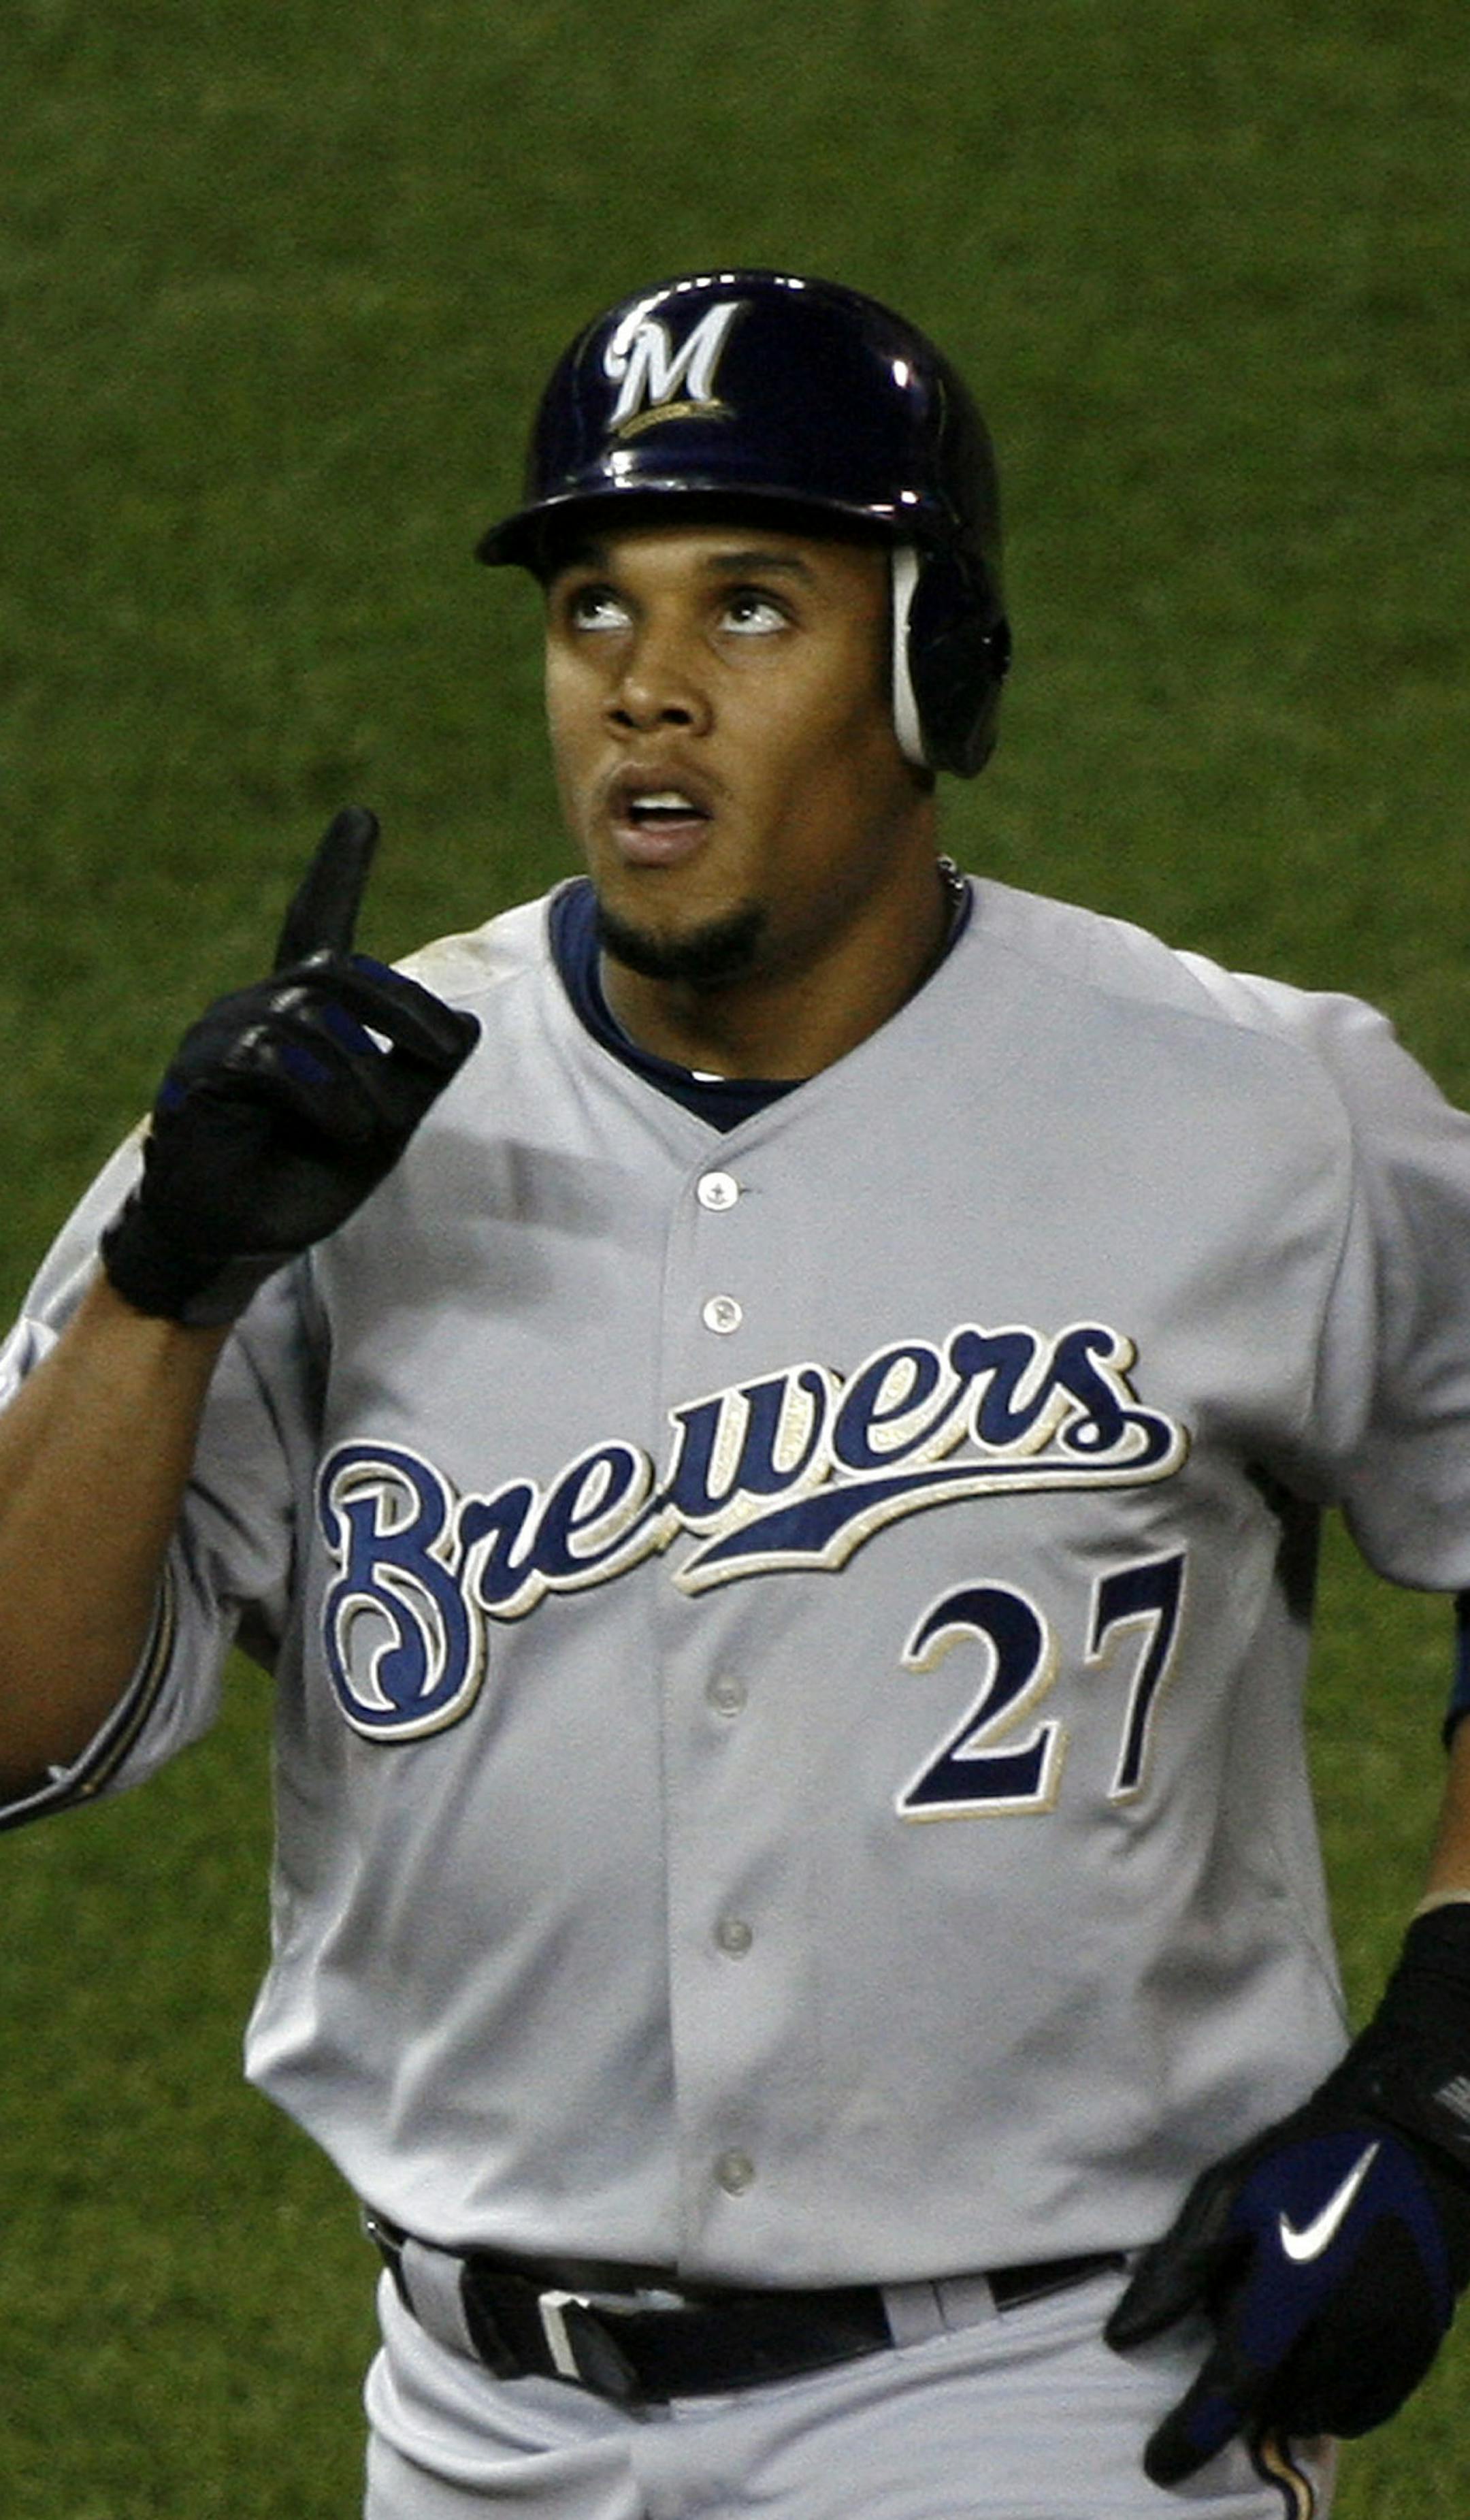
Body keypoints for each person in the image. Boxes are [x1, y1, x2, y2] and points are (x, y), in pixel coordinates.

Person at [2, 267, 1469, 2520]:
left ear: (932, 663)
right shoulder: (314, 1140)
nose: (649, 695)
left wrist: (1445, 2075)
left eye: (753, 606)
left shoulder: (1262, 1116)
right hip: (476, 2420)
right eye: (595, 609)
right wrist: (162, 1283)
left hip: (1059, 2398)